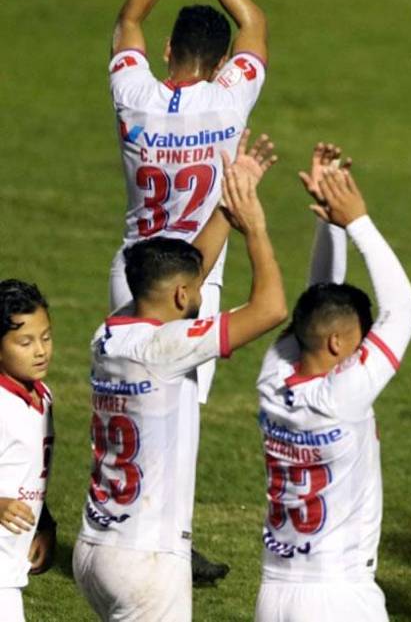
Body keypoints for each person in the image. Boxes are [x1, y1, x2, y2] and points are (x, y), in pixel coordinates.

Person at [108, 0, 270, 582]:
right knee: (179, 415)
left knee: (128, 399)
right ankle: (167, 539)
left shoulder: (135, 95)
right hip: (195, 275)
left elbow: (127, 21)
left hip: (131, 267)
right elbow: (254, 22)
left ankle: (124, 519)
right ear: (223, 62)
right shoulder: (230, 99)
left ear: (168, 53)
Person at [73, 147, 285, 621]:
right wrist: (255, 229)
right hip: (146, 557)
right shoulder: (167, 348)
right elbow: (271, 308)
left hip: (95, 546)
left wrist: (227, 208)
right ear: (180, 295)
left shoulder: (110, 332)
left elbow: (189, 277)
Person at [254, 145, 411, 622]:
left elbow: (315, 304)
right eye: (356, 341)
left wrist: (329, 221)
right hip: (338, 595)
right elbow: (404, 308)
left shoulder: (274, 377)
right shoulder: (343, 396)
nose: (362, 351)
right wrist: (357, 222)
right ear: (334, 344)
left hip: (275, 592)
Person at [0, 280, 57, 622]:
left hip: (11, 563)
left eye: (46, 337)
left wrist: (44, 523)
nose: (40, 350)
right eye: (25, 341)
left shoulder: (42, 395)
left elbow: (30, 469)